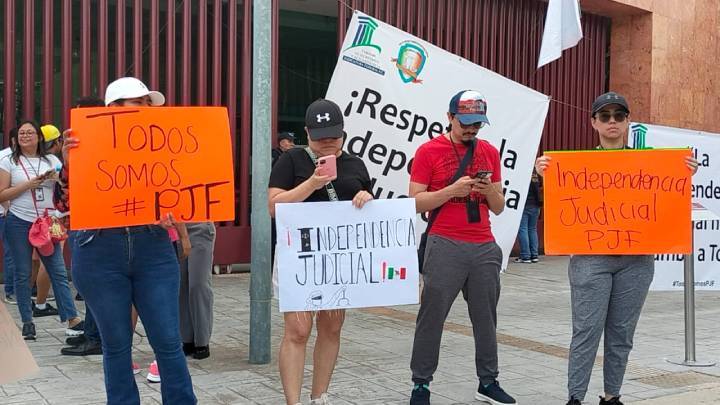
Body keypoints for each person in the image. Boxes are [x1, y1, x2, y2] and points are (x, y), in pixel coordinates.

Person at [535, 91, 699, 405]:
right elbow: (557, 207)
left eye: (619, 116)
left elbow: (667, 197)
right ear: (593, 122)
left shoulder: (651, 160)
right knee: (586, 330)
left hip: (636, 260)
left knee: (621, 333)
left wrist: (686, 171)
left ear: (627, 122)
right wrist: (545, 173)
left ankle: (612, 395)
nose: (613, 121)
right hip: (590, 258)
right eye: (606, 116)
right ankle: (575, 397)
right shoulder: (575, 165)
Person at [57, 77, 197, 404]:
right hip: (99, 248)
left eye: (149, 102)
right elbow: (66, 206)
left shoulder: (164, 141)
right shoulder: (82, 143)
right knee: (116, 344)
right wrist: (69, 164)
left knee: (167, 341)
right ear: (114, 108)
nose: (148, 108)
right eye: (140, 101)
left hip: (154, 246)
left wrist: (179, 227)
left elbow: (178, 192)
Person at [408, 90, 516, 405]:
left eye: (477, 124)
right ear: (450, 117)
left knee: (486, 318)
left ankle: (489, 381)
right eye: (466, 123)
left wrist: (487, 191)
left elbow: (498, 206)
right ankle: (421, 384)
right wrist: (451, 190)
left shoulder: (490, 153)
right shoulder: (429, 151)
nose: (471, 130)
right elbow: (415, 202)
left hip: (483, 243)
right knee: (432, 316)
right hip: (444, 242)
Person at [269, 99, 373, 405]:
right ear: (307, 133)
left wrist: (367, 197)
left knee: (331, 326)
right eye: (320, 137)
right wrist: (312, 184)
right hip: (299, 256)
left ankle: (319, 396)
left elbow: (369, 208)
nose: (327, 143)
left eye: (333, 136)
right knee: (298, 330)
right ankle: (293, 401)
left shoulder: (355, 164)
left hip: (337, 259)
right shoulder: (292, 160)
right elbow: (274, 206)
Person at [0, 120, 83, 340]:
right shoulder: (9, 161)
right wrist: (29, 185)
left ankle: (72, 319)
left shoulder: (51, 160)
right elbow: (1, 194)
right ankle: (27, 321)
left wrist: (58, 180)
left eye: (30, 132)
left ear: (39, 137)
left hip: (48, 222)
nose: (26, 136)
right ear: (16, 139)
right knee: (23, 271)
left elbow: (66, 186)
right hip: (18, 222)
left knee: (56, 269)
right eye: (22, 133)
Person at [57, 96, 106, 357]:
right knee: (84, 284)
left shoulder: (109, 150)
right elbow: (63, 197)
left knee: (94, 285)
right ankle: (91, 332)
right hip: (80, 224)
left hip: (101, 230)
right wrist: (67, 162)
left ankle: (97, 337)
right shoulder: (76, 150)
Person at [178, 221, 217, 360]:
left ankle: (202, 340)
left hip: (200, 226)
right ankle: (186, 338)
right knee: (181, 285)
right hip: (174, 227)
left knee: (198, 283)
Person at [1, 128, 16, 304]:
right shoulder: (5, 158)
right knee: (12, 253)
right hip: (6, 213)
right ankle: (11, 291)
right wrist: (7, 207)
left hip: (22, 213)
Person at [514, 168, 542, 263]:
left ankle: (525, 256)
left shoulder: (521, 173)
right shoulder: (535, 174)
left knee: (523, 229)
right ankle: (534, 255)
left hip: (524, 205)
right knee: (532, 229)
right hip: (536, 205)